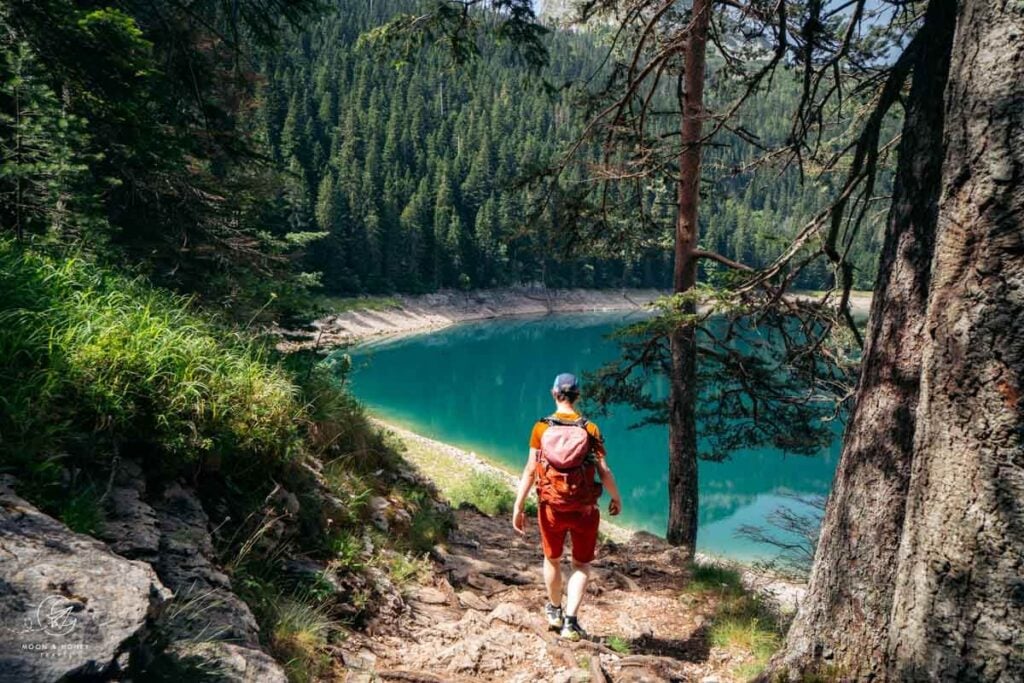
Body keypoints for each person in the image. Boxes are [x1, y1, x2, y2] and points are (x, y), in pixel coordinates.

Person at [511, 372, 623, 641]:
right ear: (578, 396)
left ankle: (554, 611)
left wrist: (518, 505)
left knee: (552, 558)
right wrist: (616, 498)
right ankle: (571, 623)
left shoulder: (541, 428)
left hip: (550, 508)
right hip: (584, 510)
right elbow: (604, 471)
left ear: (554, 394)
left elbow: (530, 470)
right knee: (581, 564)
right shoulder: (590, 429)